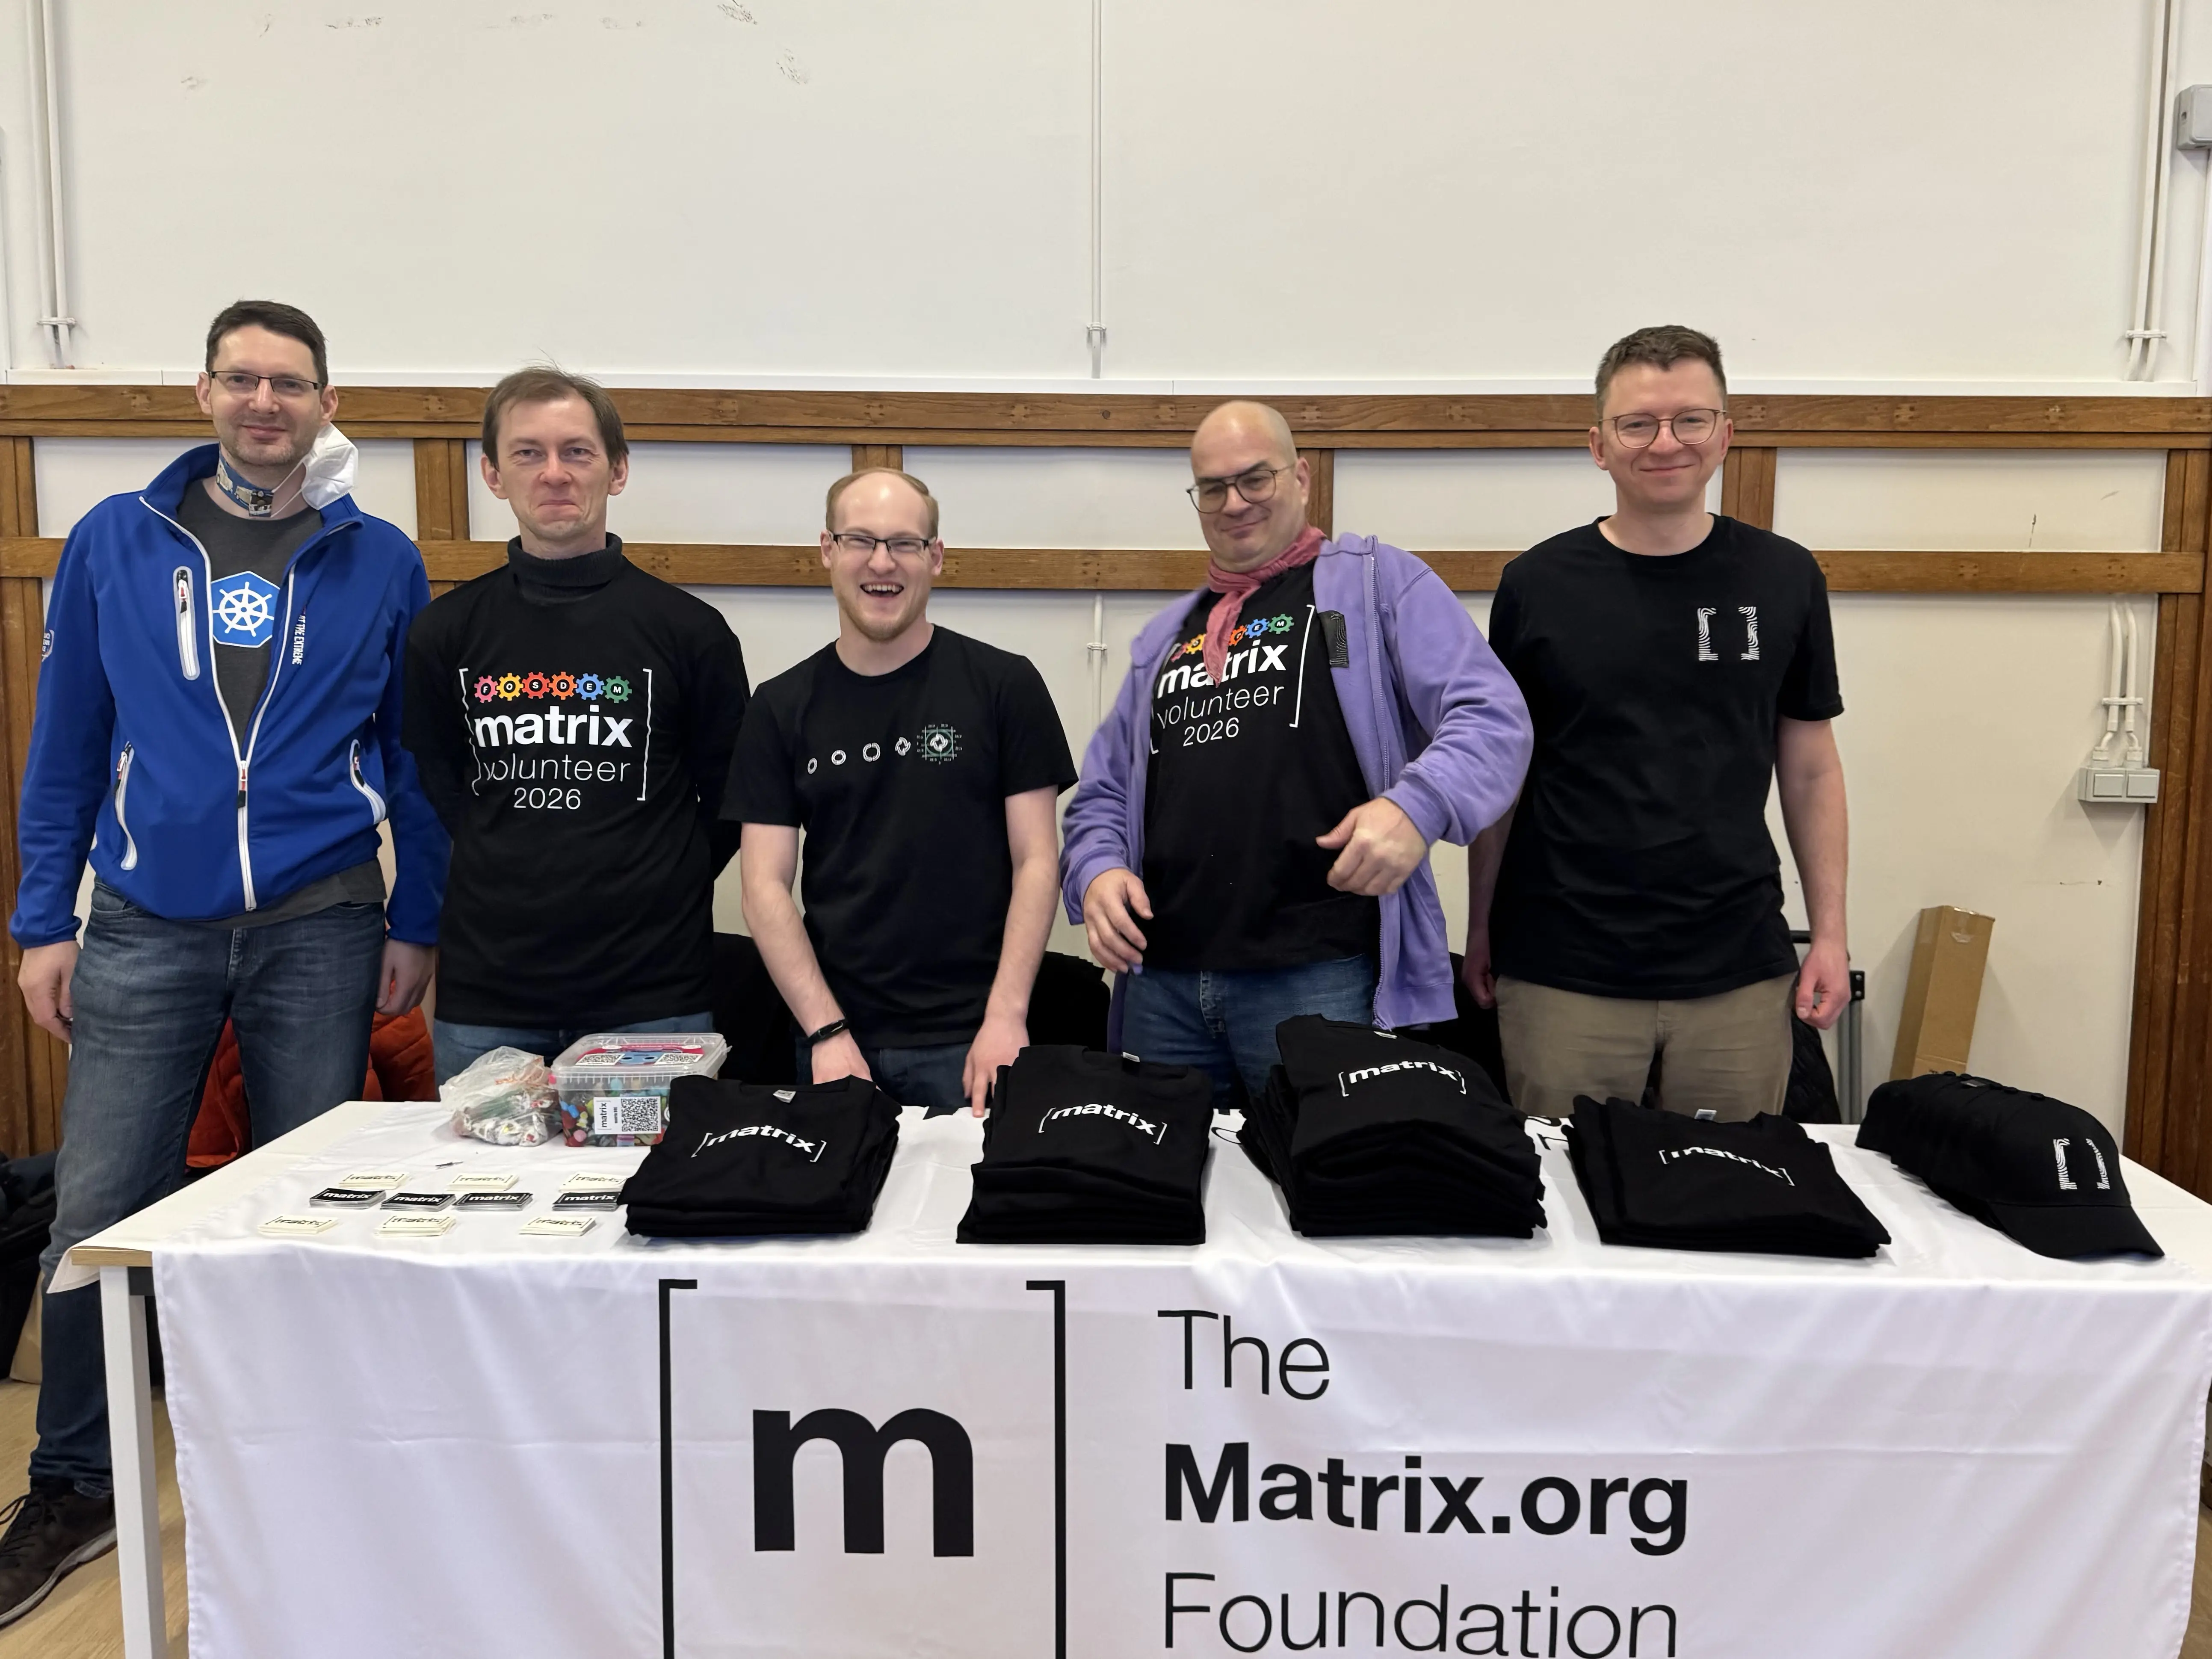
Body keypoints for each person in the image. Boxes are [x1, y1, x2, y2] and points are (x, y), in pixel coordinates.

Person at [0, 299, 444, 1622]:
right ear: (202, 392)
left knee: (305, 1208)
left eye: (291, 382)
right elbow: (67, 739)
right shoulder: (112, 544)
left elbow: (410, 757)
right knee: (94, 1211)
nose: (266, 401)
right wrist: (41, 919)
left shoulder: (378, 556)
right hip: (142, 921)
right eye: (242, 378)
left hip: (321, 921)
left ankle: (297, 1462)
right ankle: (76, 1483)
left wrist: (412, 913)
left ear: (324, 402)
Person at [1063, 400, 1532, 1106]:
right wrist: (1097, 872)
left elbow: (1494, 717)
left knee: (1323, 1194)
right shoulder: (1165, 637)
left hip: (1320, 976)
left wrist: (1417, 807)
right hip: (1162, 986)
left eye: (1256, 478)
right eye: (1213, 488)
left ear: (1302, 476)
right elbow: (1103, 795)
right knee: (1168, 1201)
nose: (1235, 502)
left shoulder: (1375, 582)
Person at [1464, 324, 1850, 1120]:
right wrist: (1481, 926)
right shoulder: (1535, 585)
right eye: (1637, 423)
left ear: (1726, 435)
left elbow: (1811, 767)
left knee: (1731, 1214)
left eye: (1690, 420)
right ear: (1599, 445)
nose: (1664, 442)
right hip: (1562, 964)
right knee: (1566, 1216)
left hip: (1737, 966)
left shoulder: (1785, 577)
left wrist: (1833, 936)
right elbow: (1500, 773)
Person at [403, 367, 750, 1080]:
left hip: (652, 991)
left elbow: (730, 802)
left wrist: (657, 881)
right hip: (488, 995)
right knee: (483, 1187)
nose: (554, 473)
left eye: (578, 452)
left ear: (618, 470)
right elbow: (436, 783)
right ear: (493, 475)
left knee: (651, 1192)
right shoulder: (444, 632)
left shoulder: (692, 631)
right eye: (528, 453)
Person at [727, 467, 1074, 1116]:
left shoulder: (1005, 686)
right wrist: (826, 1034)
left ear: (935, 558)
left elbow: (1037, 861)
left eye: (904, 543)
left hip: (974, 1042)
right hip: (837, 1041)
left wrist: (1005, 1017)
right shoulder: (780, 707)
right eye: (860, 540)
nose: (881, 562)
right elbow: (763, 888)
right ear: (827, 550)